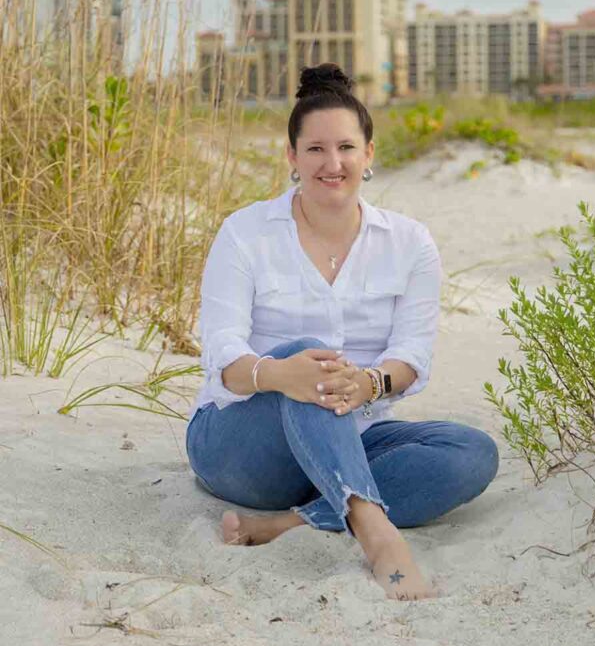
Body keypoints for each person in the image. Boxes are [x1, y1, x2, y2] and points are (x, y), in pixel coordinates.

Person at [186, 63, 499, 601]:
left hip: (349, 436)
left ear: (369, 154)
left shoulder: (409, 242)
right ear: (292, 157)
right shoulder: (246, 233)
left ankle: (294, 522)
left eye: (347, 148)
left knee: (472, 452)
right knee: (309, 360)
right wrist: (282, 373)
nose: (333, 164)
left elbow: (411, 357)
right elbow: (222, 358)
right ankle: (375, 532)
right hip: (243, 445)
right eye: (315, 150)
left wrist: (370, 384)